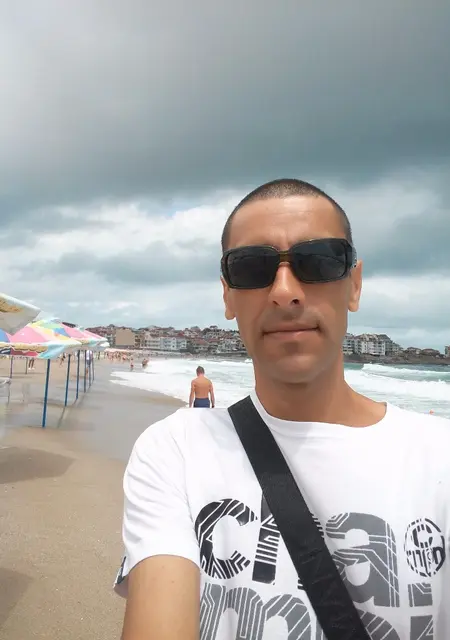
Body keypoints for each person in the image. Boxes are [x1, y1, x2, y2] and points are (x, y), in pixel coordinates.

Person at [115, 178, 450, 639]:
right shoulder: (176, 451)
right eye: (252, 267)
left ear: (354, 285)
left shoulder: (439, 456)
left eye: (320, 261)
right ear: (228, 295)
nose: (285, 291)